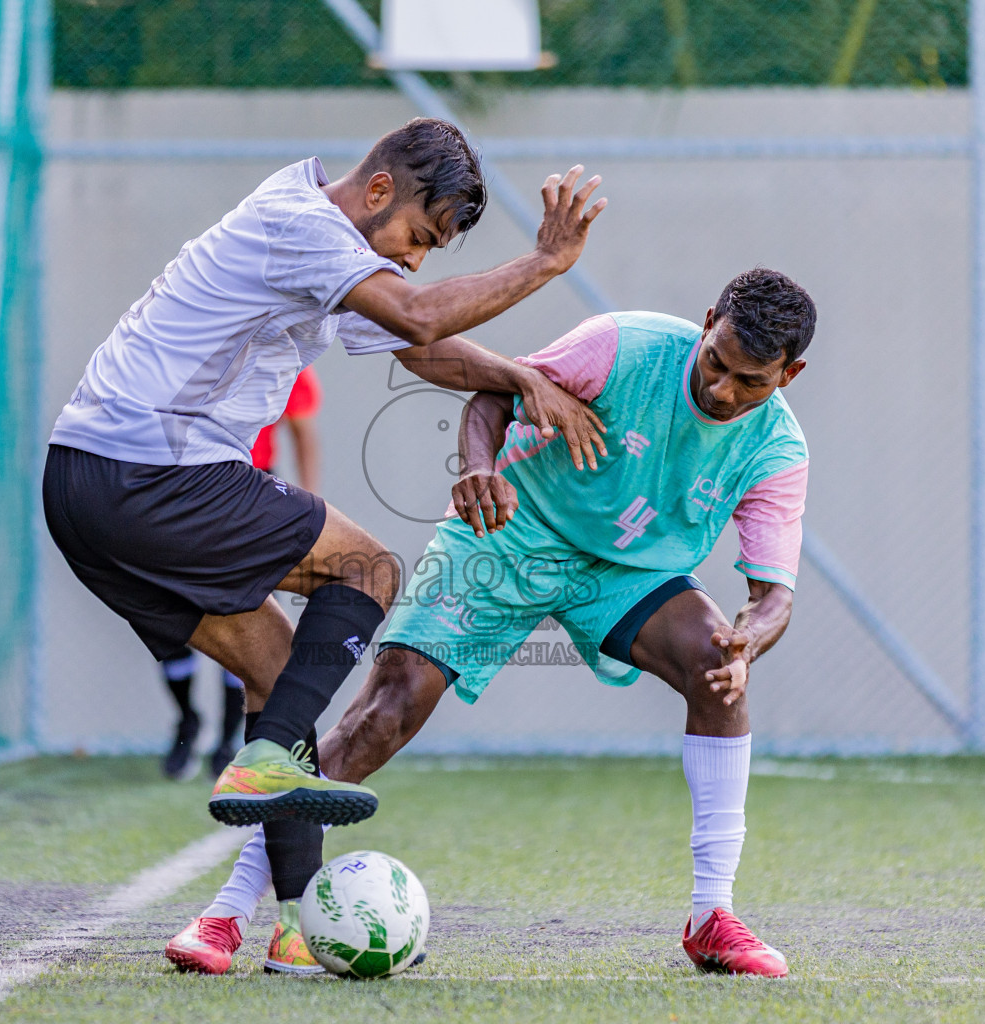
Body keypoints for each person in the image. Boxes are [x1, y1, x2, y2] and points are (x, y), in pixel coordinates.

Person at [44, 117, 610, 972]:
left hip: (83, 486)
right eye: (418, 237)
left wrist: (520, 376)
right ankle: (269, 760)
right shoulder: (302, 224)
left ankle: (298, 928)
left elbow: (420, 346)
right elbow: (418, 314)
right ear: (378, 190)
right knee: (369, 569)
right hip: (153, 469)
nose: (416, 261)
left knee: (277, 676)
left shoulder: (317, 238)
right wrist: (545, 264)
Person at [170, 268, 816, 979]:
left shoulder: (777, 452)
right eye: (716, 362)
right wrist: (480, 468)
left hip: (629, 569)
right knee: (388, 708)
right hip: (510, 527)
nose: (722, 390)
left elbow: (773, 598)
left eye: (750, 381)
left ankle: (711, 917)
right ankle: (228, 912)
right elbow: (495, 394)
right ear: (706, 322)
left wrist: (748, 640)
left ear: (789, 374)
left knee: (718, 672)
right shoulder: (621, 346)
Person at [158, 367, 324, 781]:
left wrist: (310, 506)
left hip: (252, 487)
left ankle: (229, 743)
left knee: (247, 614)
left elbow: (302, 430)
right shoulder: (189, 349)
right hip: (185, 489)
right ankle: (187, 720)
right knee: (167, 615)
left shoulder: (285, 358)